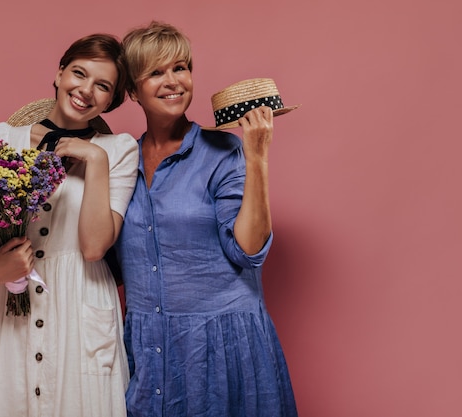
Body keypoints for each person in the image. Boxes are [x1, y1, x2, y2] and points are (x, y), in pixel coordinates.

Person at [115, 21, 299, 416]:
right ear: (132, 90)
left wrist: (257, 159)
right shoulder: (120, 161)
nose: (173, 81)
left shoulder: (222, 151)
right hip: (148, 347)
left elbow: (249, 250)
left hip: (221, 345)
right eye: (156, 72)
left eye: (180, 68)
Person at [0, 34, 139, 417]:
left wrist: (94, 158)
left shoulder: (118, 150)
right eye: (79, 73)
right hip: (11, 308)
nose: (86, 90)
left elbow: (94, 247)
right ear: (59, 73)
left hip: (81, 308)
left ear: (112, 99)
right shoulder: (3, 139)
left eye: (103, 86)